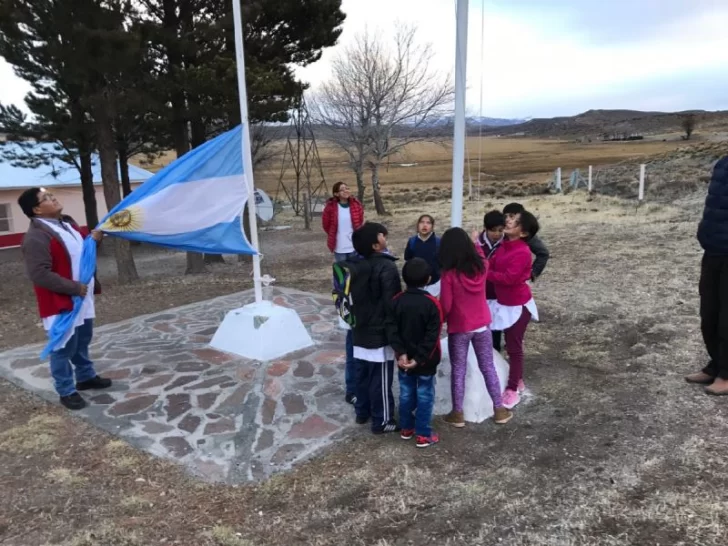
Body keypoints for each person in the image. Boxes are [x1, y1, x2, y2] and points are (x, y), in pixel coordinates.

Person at [18, 187, 111, 411]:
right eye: (46, 198)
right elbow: (39, 273)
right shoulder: (36, 237)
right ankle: (66, 390)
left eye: (51, 194)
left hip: (82, 296)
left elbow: (81, 253)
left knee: (82, 340)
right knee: (62, 347)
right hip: (61, 301)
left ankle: (85, 376)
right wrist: (72, 288)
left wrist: (94, 240)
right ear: (37, 209)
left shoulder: (67, 224)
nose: (53, 198)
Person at [438, 227, 513, 427]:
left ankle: (458, 414)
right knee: (487, 366)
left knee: (459, 369)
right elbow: (480, 255)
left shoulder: (448, 275)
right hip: (482, 324)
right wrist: (475, 242)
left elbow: (446, 304)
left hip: (460, 327)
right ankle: (500, 410)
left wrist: (439, 318)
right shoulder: (482, 266)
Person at [350, 222, 402, 434]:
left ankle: (362, 412)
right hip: (379, 333)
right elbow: (393, 303)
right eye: (382, 235)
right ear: (375, 245)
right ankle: (382, 420)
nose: (385, 237)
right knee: (380, 379)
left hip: (359, 329)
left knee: (362, 374)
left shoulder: (354, 265)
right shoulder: (386, 266)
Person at [488, 210, 540, 409]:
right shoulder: (503, 245)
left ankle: (512, 387)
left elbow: (509, 278)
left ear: (524, 232)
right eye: (509, 218)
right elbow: (491, 264)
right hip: (503, 303)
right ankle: (515, 377)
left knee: (513, 347)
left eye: (515, 221)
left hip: (518, 305)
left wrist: (486, 274)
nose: (508, 221)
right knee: (507, 343)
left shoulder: (522, 251)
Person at [389, 258, 443, 448]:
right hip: (426, 361)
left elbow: (391, 329)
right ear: (428, 279)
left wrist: (401, 353)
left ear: (404, 278)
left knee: (406, 393)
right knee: (425, 394)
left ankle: (406, 428)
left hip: (404, 361)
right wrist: (419, 358)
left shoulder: (396, 301)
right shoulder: (432, 304)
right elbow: (432, 336)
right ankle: (423, 433)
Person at [686, 156, 728, 395]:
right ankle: (716, 365)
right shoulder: (723, 163)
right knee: (709, 312)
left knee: (727, 317)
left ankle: (727, 373)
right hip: (713, 248)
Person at [322, 181, 365, 405]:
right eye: (343, 190)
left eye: (348, 189)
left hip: (355, 247)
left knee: (356, 277)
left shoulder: (356, 205)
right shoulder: (331, 207)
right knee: (342, 279)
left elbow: (361, 222)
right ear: (336, 193)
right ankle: (344, 302)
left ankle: (354, 296)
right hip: (339, 247)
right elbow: (326, 224)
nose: (347, 192)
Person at [477, 210, 506, 352]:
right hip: (479, 295)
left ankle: (496, 357)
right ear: (485, 228)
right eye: (493, 230)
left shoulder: (507, 244)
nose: (497, 234)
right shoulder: (476, 243)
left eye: (500, 230)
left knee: (496, 329)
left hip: (498, 295)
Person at [503, 202, 549, 281]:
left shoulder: (526, 237)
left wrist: (533, 273)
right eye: (505, 216)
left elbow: (543, 253)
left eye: (512, 217)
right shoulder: (499, 230)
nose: (508, 220)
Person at [403, 214, 441, 297]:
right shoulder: (412, 242)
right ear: (417, 225)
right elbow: (408, 262)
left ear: (432, 226)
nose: (425, 225)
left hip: (434, 285)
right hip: (416, 285)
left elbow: (442, 264)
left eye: (428, 223)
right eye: (422, 222)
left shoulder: (438, 243)